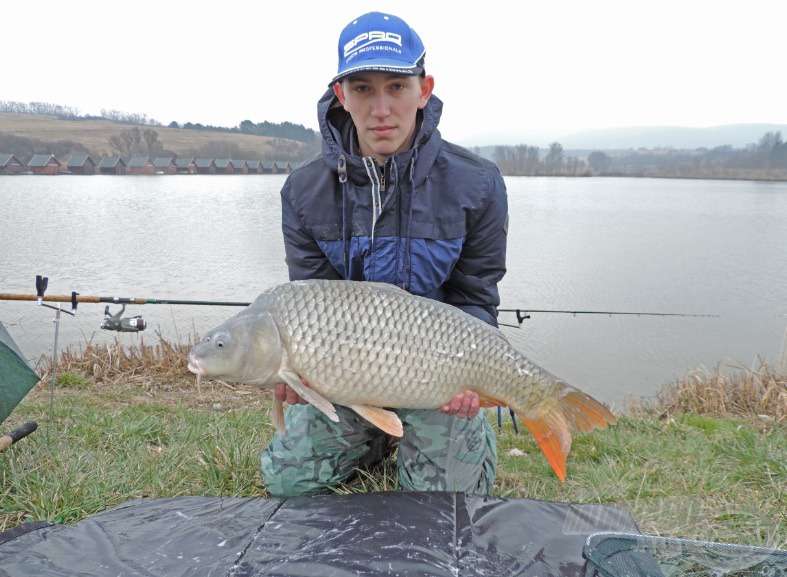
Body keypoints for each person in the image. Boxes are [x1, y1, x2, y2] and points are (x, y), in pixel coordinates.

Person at [261, 11, 508, 497]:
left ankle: (469, 439)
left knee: (445, 502)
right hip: (348, 378)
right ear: (341, 96)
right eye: (363, 89)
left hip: (435, 374)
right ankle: (373, 435)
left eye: (396, 87)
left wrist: (471, 380)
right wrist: (299, 377)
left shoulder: (478, 184)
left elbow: (477, 299)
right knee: (286, 483)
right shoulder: (302, 191)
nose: (380, 109)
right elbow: (310, 305)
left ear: (424, 89)